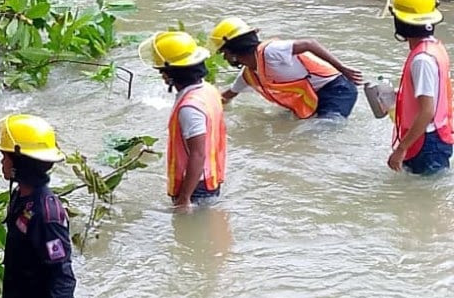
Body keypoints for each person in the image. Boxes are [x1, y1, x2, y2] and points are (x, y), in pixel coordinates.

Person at [0, 114, 76, 298]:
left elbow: (63, 277)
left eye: (6, 156)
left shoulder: (45, 214)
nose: (1, 161)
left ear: (21, 163)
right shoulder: (22, 196)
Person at [139, 31, 227, 210]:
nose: (162, 76)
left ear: (170, 74)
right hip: (211, 179)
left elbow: (197, 154)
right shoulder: (208, 90)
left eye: (162, 72)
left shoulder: (189, 108)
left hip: (196, 189)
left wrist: (184, 198)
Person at [209, 18, 363, 118]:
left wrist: (342, 68)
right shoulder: (249, 75)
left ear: (230, 52)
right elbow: (227, 96)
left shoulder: (271, 51)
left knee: (321, 132)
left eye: (223, 53)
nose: (224, 57)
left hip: (337, 90)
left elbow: (310, 44)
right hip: (311, 100)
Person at [384, 0, 453, 175]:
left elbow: (427, 112)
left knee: (424, 199)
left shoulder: (421, 60)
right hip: (437, 137)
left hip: (427, 143)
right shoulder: (435, 48)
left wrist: (401, 149)